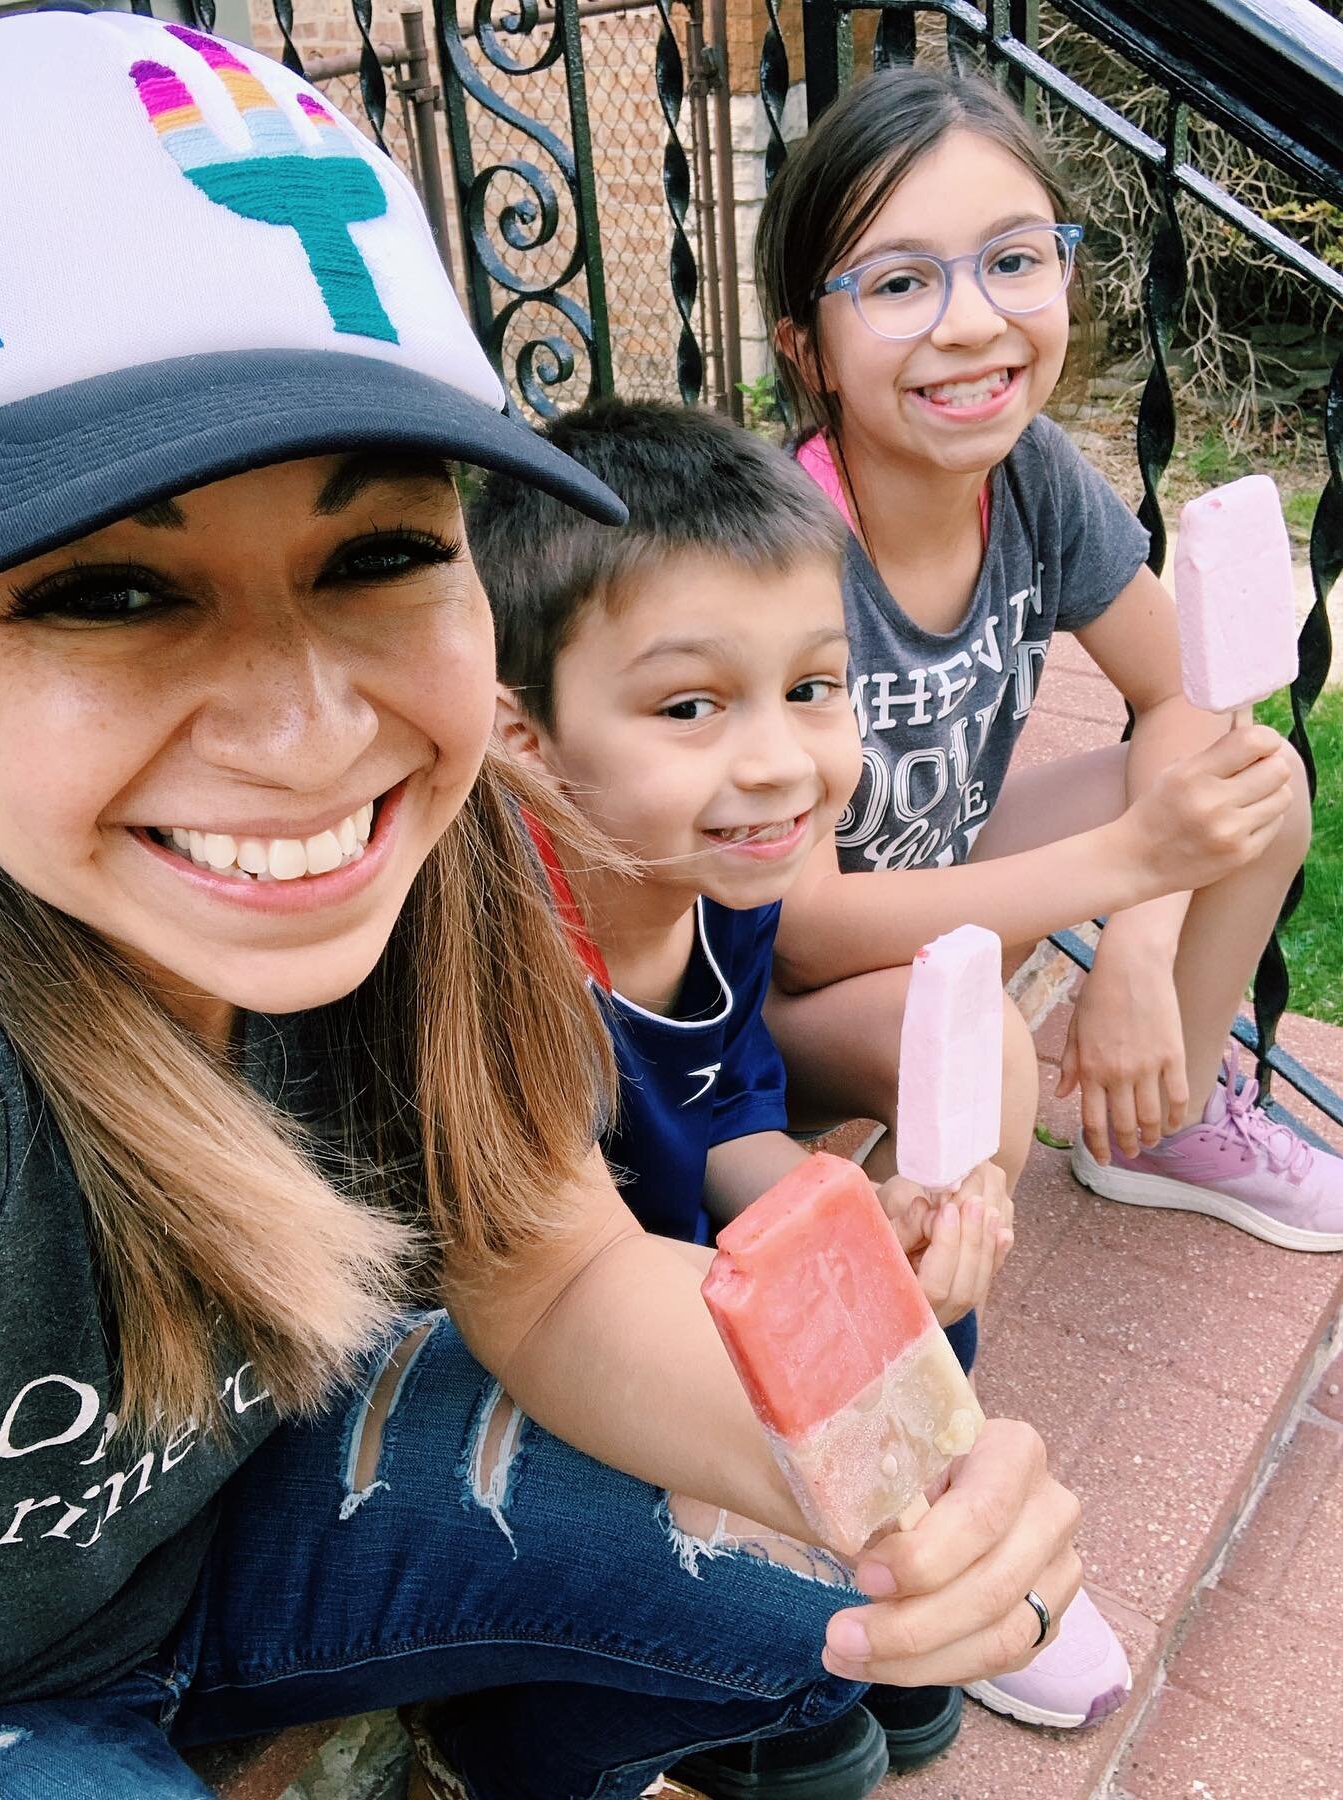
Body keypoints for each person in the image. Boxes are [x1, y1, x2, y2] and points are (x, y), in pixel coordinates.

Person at [0, 14, 1083, 1799]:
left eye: (377, 553)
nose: (313, 738)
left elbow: (564, 1282)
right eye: (113, 590)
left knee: (789, 1629)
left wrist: (904, 1478)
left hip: (243, 1544)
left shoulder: (442, 875)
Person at [750, 63, 1333, 1730]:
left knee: (1265, 793)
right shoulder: (791, 545)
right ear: (809, 340)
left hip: (955, 883)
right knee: (985, 1060)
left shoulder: (1039, 486)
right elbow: (795, 927)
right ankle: (947, 1523)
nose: (972, 321)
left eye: (1016, 258)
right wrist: (1113, 873)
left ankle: (1145, 1122)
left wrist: (1139, 940)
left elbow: (1185, 710)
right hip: (803, 985)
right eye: (901, 280)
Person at [472, 396, 1015, 1788]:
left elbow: (720, 1123)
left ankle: (892, 1585)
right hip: (506, 1345)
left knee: (870, 1262)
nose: (779, 759)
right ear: (523, 737)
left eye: (814, 686)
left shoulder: (720, 877)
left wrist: (860, 1221)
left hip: (658, 1268)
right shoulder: (505, 952)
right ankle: (562, 1715)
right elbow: (544, 1294)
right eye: (692, 705)